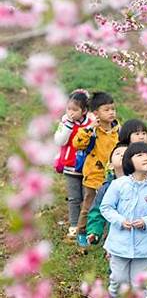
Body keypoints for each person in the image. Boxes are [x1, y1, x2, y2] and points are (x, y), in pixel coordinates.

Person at [100, 142, 147, 297]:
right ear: (129, 161)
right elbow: (106, 207)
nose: (146, 158)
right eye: (140, 155)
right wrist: (119, 220)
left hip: (143, 246)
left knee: (140, 283)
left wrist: (146, 221)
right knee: (118, 278)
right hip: (119, 244)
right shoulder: (118, 184)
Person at [72, 92, 119, 247]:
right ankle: (82, 232)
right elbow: (77, 143)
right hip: (94, 176)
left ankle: (104, 235)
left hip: (113, 177)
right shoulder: (92, 131)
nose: (111, 112)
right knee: (89, 206)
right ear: (96, 113)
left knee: (112, 207)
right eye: (107, 109)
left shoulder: (118, 130)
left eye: (113, 109)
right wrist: (89, 128)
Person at [53, 89, 93, 239]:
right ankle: (74, 225)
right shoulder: (64, 122)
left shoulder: (91, 123)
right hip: (70, 166)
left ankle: (87, 225)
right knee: (74, 198)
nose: (71, 112)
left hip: (88, 167)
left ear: (84, 111)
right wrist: (68, 126)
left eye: (75, 110)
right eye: (69, 109)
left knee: (87, 197)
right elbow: (59, 141)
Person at [118, 119, 147, 183]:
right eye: (137, 134)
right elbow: (112, 168)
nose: (141, 137)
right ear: (127, 135)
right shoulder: (120, 151)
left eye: (144, 133)